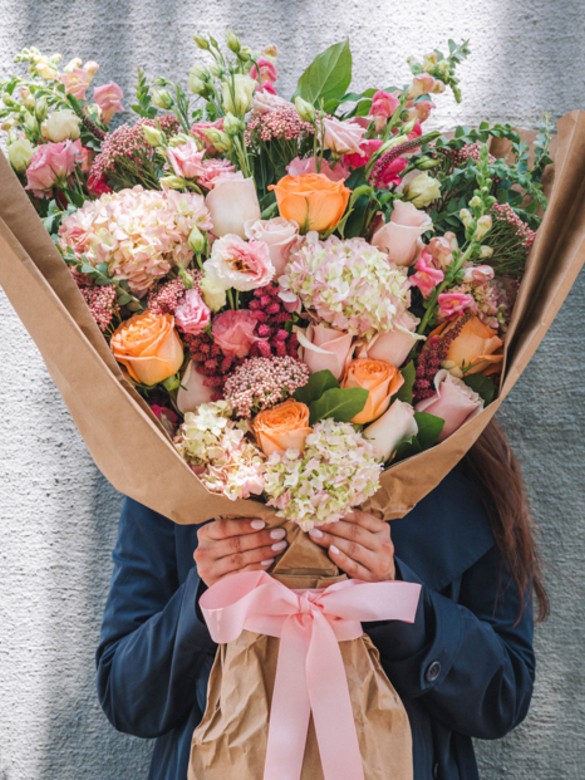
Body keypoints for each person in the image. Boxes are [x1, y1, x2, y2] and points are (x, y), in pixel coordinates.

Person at [96, 419, 548, 780]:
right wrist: (207, 598)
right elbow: (127, 696)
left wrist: (398, 599)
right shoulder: (179, 464)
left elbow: (502, 697)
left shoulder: (465, 465)